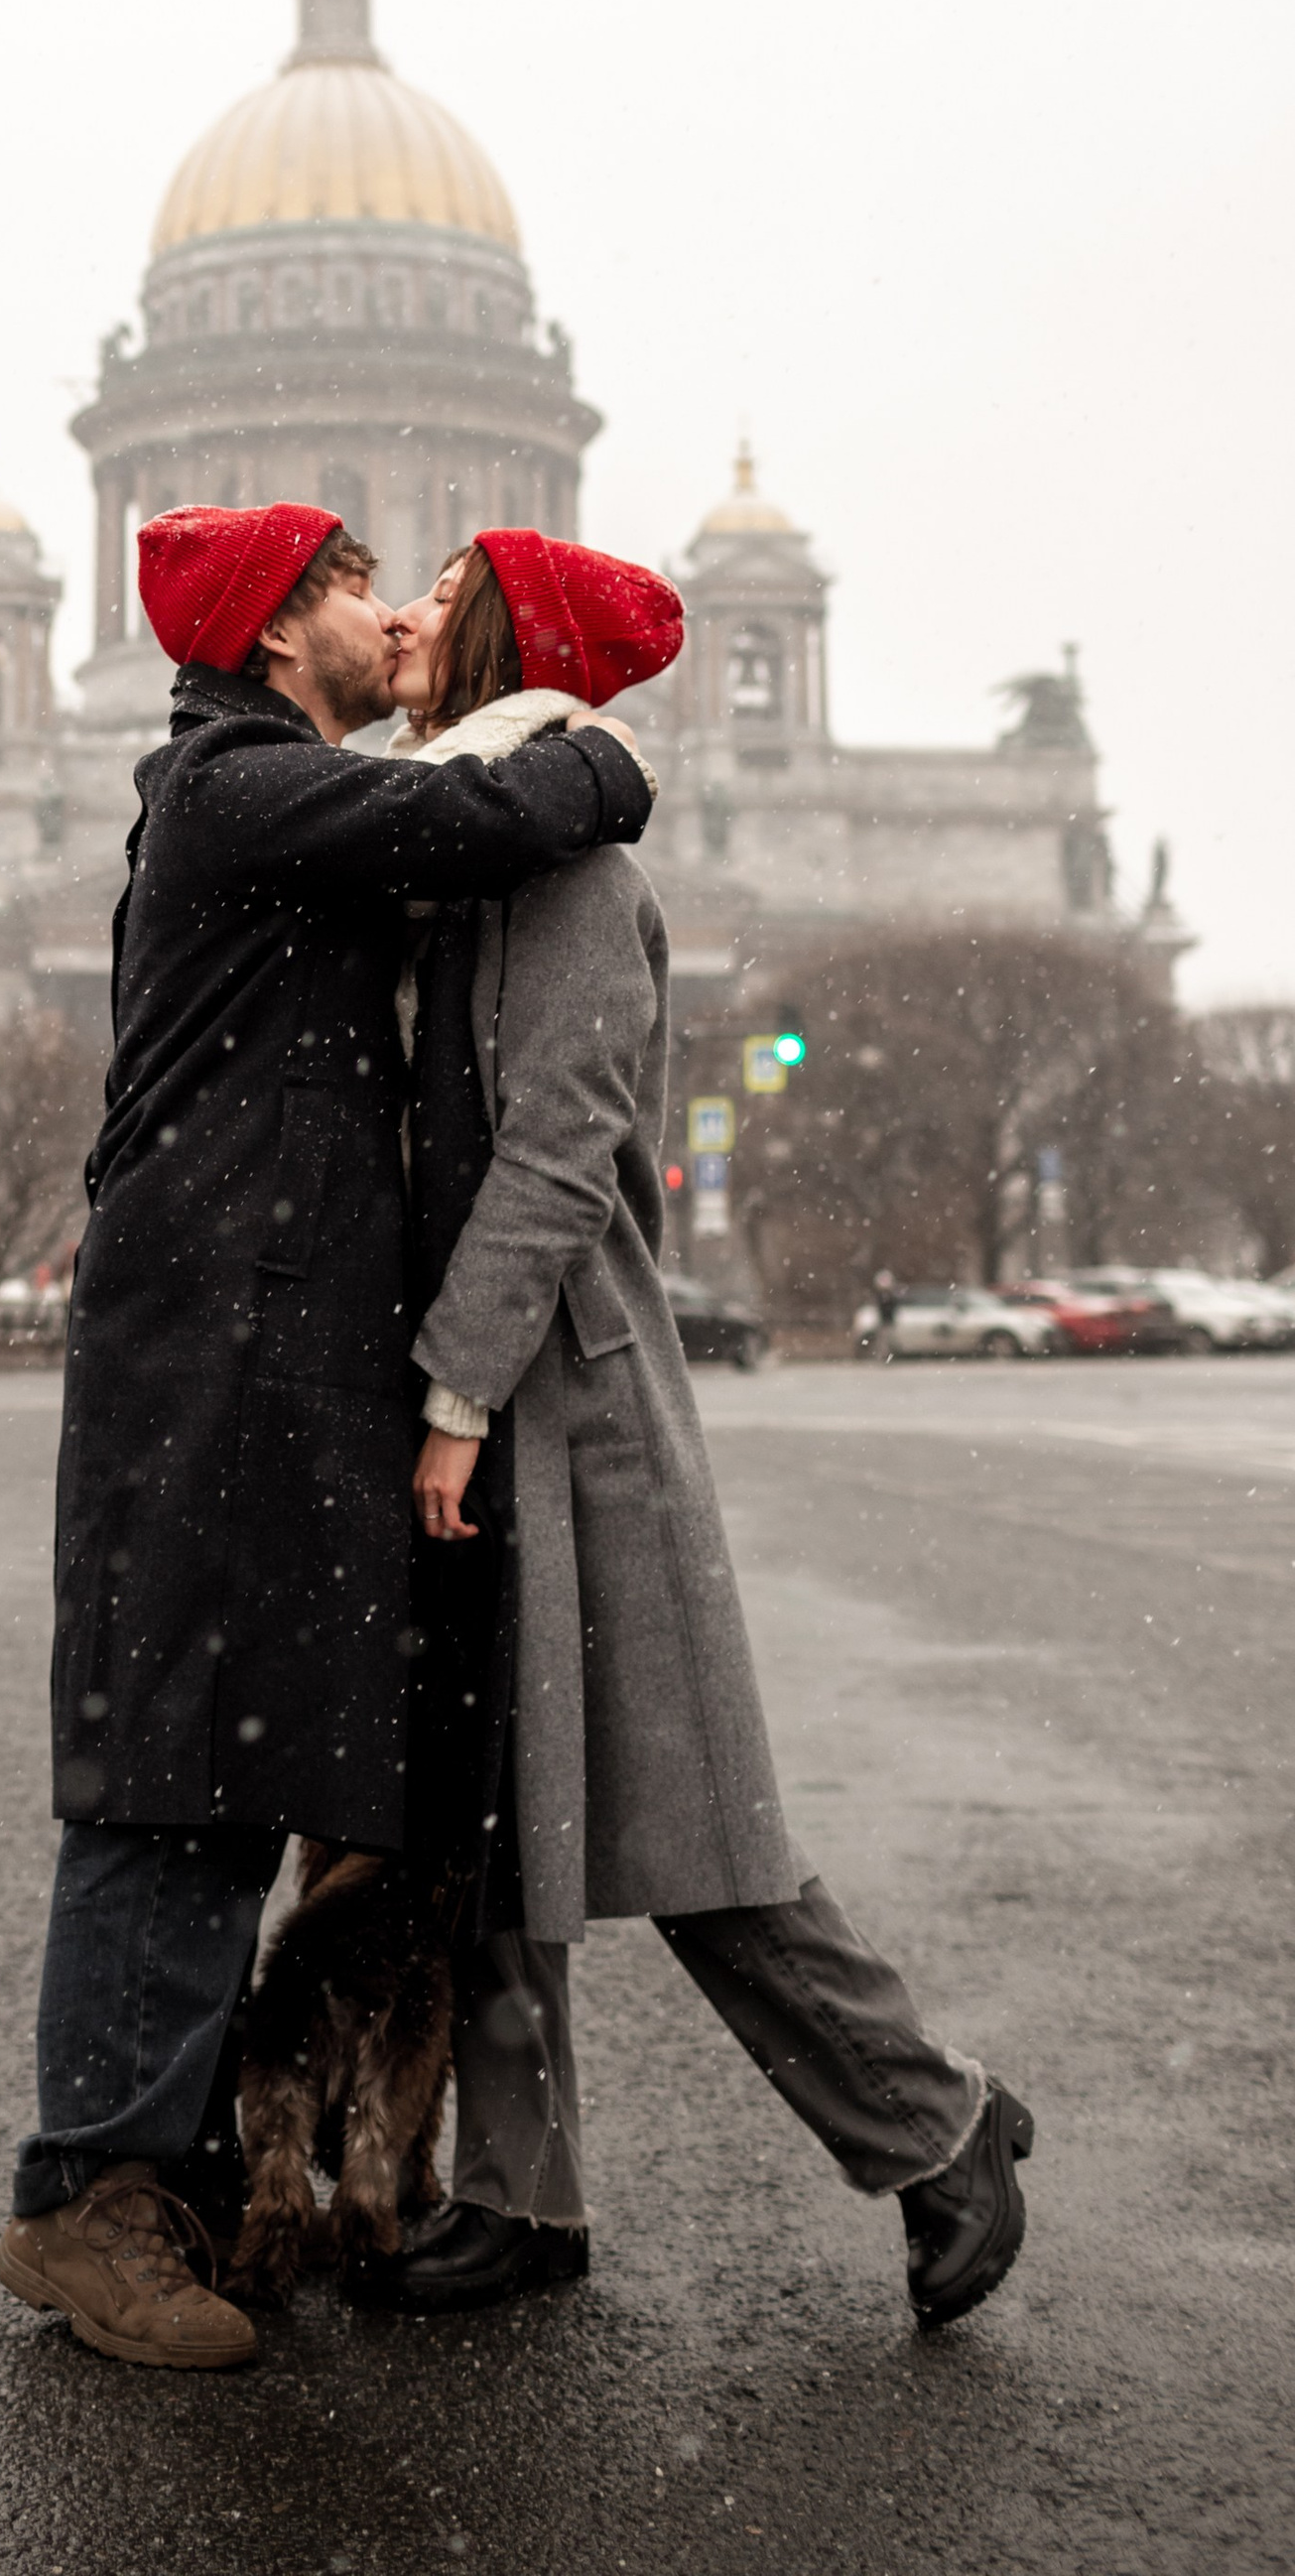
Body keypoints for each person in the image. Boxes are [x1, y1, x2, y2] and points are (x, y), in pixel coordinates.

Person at [0, 498, 656, 2371]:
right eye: (359, 586)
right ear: (284, 632)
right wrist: (608, 749)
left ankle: (183, 2170)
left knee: (233, 1765)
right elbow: (502, 814)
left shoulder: (290, 799)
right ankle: (87, 2198)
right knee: (164, 1774)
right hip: (211, 1352)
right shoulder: (241, 783)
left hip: (271, 1351)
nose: (387, 611)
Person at [376, 526, 1033, 2332]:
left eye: (444, 594)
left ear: (508, 641)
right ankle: (521, 2193)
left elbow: (556, 1153)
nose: (407, 613)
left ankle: (936, 2124)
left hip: (570, 1400)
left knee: (686, 1826)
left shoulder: (576, 875)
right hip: (475, 1392)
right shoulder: (445, 848)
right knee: (494, 1818)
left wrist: (457, 1389)